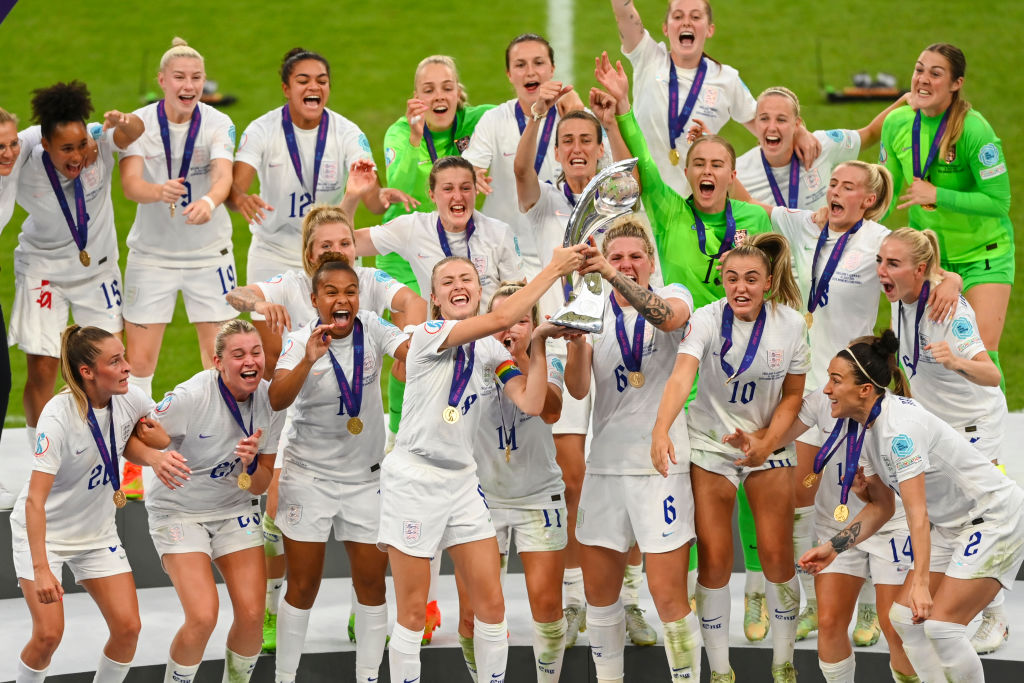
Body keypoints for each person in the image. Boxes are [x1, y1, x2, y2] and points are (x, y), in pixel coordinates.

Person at [596, 54, 776, 639]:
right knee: (701, 491)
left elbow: (788, 273)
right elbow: (642, 166)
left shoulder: (753, 215)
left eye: (716, 164)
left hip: (747, 365)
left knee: (755, 474)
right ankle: (699, 593)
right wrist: (621, 110)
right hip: (688, 365)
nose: (706, 171)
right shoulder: (670, 210)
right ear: (689, 170)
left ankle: (754, 591)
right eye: (697, 162)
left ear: (730, 171)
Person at [753, 161, 960, 643]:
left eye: (848, 187)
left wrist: (951, 281)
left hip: (858, 385)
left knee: (863, 489)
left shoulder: (877, 240)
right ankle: (812, 594)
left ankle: (868, 605)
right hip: (810, 383)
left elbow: (925, 265)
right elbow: (748, 204)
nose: (835, 192)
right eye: (832, 185)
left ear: (868, 199)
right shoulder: (809, 226)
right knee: (806, 493)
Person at [380, 246, 585, 683]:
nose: (458, 286)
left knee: (492, 608)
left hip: (463, 483)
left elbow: (532, 403)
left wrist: (541, 343)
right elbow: (497, 319)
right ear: (434, 297)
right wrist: (554, 269)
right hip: (415, 479)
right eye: (448, 282)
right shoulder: (428, 332)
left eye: (466, 279)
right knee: (414, 612)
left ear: (478, 289)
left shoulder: (492, 353)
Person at [225, 203, 424, 651]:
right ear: (310, 255)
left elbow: (410, 301)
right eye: (327, 245)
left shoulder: (369, 283)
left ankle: (361, 617)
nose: (340, 251)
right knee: (277, 520)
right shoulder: (292, 286)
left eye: (346, 243)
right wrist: (258, 303)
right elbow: (235, 294)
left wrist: (408, 339)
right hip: (297, 414)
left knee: (369, 564)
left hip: (360, 441)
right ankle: (274, 608)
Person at [514, 87, 659, 646]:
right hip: (565, 350)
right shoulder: (543, 201)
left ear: (599, 151)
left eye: (585, 141)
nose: (576, 149)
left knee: (634, 477)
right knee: (573, 479)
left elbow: (633, 175)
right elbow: (521, 169)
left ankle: (629, 596)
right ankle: (578, 595)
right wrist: (534, 119)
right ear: (558, 151)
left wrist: (613, 118)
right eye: (566, 141)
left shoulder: (620, 203)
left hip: (624, 352)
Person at [800, 334, 1024, 683]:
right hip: (954, 525)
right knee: (904, 620)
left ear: (864, 390)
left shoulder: (898, 432)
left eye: (835, 380)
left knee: (943, 628)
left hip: (995, 517)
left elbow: (916, 513)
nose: (826, 389)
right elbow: (882, 508)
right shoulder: (867, 428)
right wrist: (832, 548)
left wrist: (920, 583)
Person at [651, 233, 809, 682]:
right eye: (732, 277)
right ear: (722, 279)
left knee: (778, 555)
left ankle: (783, 666)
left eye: (752, 279)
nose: (741, 287)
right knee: (716, 559)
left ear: (769, 284)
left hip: (769, 441)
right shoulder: (704, 319)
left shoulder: (792, 324)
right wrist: (662, 427)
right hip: (712, 444)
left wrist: (766, 440)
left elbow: (794, 397)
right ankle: (720, 671)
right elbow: (682, 377)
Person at [8, 325, 185, 683]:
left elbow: (130, 439)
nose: (127, 367)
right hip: (44, 535)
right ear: (87, 372)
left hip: (96, 533)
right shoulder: (57, 417)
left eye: (123, 357)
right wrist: (41, 568)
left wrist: (153, 454)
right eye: (115, 361)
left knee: (128, 629)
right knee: (48, 636)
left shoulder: (130, 397)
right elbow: (34, 503)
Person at [563, 221, 698, 683]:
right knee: (600, 599)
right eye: (615, 257)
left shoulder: (674, 291)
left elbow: (669, 318)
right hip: (604, 468)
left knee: (669, 600)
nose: (626, 265)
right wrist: (577, 347)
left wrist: (611, 277)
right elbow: (578, 391)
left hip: (660, 470)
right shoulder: (589, 307)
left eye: (634, 257)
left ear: (651, 261)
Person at [268, 259, 409, 683]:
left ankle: (367, 678)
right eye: (331, 292)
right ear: (315, 301)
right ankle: (285, 678)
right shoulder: (297, 342)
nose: (342, 299)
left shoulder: (373, 326)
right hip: (308, 477)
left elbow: (408, 351)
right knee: (303, 586)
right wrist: (309, 360)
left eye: (350, 291)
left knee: (372, 585)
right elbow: (276, 399)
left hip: (366, 479)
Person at [877, 227, 1010, 654]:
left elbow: (990, 375)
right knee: (942, 511)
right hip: (936, 424)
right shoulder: (905, 294)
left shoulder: (950, 312)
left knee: (976, 516)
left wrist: (955, 361)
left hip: (973, 426)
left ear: (918, 270)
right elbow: (936, 267)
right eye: (881, 261)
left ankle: (996, 615)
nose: (882, 270)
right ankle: (959, 592)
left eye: (891, 264)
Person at [117, 37, 239, 500]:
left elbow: (225, 175)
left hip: (209, 254)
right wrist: (158, 192)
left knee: (219, 356)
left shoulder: (219, 121)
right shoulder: (138, 124)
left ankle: (222, 452)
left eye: (196, 78)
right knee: (139, 363)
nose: (189, 86)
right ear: (162, 82)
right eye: (180, 78)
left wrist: (209, 199)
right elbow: (130, 185)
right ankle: (135, 458)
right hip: (152, 256)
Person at [141, 319, 282, 683]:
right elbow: (134, 435)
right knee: (203, 615)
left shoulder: (270, 401)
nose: (250, 361)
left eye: (255, 352)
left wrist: (251, 464)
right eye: (238, 355)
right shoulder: (189, 397)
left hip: (233, 508)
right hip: (178, 512)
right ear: (217, 362)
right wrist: (156, 459)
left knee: (252, 616)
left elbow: (260, 484)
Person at [11, 81, 143, 464]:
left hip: (97, 274)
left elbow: (133, 133)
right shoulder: (24, 155)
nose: (78, 155)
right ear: (45, 146)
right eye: (66, 149)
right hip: (43, 271)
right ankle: (43, 459)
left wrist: (125, 120)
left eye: (81, 144)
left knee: (112, 363)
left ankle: (114, 456)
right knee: (43, 366)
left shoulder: (99, 143)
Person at [880, 43, 1013, 392]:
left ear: (956, 83)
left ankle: (986, 442)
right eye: (919, 69)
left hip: (983, 256)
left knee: (980, 356)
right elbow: (887, 189)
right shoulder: (897, 122)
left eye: (935, 73)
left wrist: (936, 195)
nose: (922, 79)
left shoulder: (974, 131)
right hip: (930, 258)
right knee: (917, 353)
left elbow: (999, 202)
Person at [459, 280, 575, 682]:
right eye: (503, 320)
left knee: (546, 606)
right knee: (473, 611)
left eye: (521, 321)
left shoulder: (551, 358)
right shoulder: (470, 361)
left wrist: (528, 356)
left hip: (538, 497)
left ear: (535, 324)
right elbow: (449, 417)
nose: (510, 329)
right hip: (479, 499)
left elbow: (552, 411)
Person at [607, 0, 819, 199]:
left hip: (693, 207)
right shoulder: (648, 58)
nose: (686, 22)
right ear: (666, 28)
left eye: (696, 17)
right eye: (678, 16)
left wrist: (799, 132)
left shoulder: (726, 79)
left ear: (710, 29)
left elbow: (766, 123)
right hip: (643, 200)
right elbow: (623, 13)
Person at [229, 47, 398, 284]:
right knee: (270, 322)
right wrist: (240, 199)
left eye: (322, 80)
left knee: (342, 321)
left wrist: (382, 196)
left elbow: (373, 203)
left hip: (332, 251)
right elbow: (235, 188)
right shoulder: (261, 130)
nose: (314, 87)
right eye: (303, 80)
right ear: (286, 89)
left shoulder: (348, 133)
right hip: (273, 252)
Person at [464, 33, 589, 279]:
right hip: (505, 253)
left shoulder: (575, 118)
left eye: (539, 63)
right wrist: (473, 175)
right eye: (520, 65)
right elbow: (470, 168)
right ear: (509, 74)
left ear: (552, 69)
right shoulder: (494, 120)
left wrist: (580, 113)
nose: (530, 72)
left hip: (563, 251)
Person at [378, 54, 493, 293]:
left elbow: (519, 112)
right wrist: (414, 138)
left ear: (458, 93)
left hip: (453, 250)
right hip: (404, 253)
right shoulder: (400, 133)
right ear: (416, 98)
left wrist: (570, 102)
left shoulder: (476, 120)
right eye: (429, 90)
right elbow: (399, 190)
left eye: (447, 87)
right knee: (412, 327)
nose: (439, 95)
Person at [355, 155, 523, 312]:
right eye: (448, 189)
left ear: (475, 191)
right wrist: (351, 196)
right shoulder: (413, 228)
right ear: (432, 195)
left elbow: (518, 299)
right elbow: (347, 243)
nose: (458, 197)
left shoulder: (499, 233)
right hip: (438, 340)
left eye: (465, 188)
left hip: (487, 340)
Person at [736, 87, 905, 210]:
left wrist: (905, 101)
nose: (772, 127)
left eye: (781, 120)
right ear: (755, 122)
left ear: (797, 125)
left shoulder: (823, 146)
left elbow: (870, 134)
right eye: (764, 119)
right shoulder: (739, 170)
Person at [0, 107, 40, 509]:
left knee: (0, 381)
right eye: (0, 146)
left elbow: (51, 123)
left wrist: (106, 126)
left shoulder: (18, 147)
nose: (9, 153)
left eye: (13, 143)